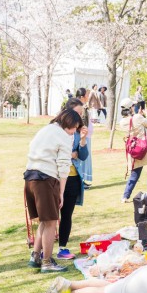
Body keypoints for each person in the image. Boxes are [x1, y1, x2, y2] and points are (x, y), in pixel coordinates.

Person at [24, 109, 82, 273]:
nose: (73, 132)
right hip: (45, 178)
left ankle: (36, 256)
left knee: (44, 220)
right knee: (50, 222)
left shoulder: (45, 129)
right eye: (74, 128)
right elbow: (64, 166)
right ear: (69, 124)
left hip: (30, 176)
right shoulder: (63, 137)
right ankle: (47, 262)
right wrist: (61, 193)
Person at [56, 98, 90, 260]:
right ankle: (42, 250)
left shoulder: (78, 132)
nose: (80, 118)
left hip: (73, 178)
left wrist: (83, 140)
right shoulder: (55, 130)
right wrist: (71, 154)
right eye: (77, 113)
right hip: (55, 177)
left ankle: (62, 247)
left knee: (66, 215)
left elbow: (82, 156)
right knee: (49, 217)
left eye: (81, 114)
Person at [119, 97, 147, 203]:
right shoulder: (137, 117)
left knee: (135, 174)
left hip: (135, 149)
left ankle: (125, 196)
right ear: (131, 108)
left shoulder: (122, 122)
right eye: (133, 106)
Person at [75, 88, 94, 186]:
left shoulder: (84, 107)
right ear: (82, 96)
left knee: (85, 158)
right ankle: (80, 181)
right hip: (83, 136)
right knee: (82, 158)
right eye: (87, 95)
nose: (88, 97)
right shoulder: (79, 107)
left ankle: (82, 180)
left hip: (86, 136)